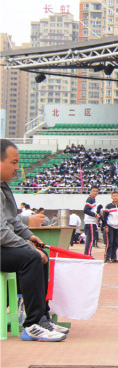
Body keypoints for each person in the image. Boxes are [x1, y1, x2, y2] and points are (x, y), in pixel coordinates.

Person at [0, 138, 68, 341]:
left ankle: (42, 318)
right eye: (13, 162)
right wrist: (28, 248)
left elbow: (11, 220)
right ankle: (32, 325)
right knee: (31, 257)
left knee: (40, 255)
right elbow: (1, 232)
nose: (17, 167)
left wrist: (30, 236)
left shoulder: (3, 187)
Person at [83, 186, 100, 256]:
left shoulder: (93, 200)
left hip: (91, 222)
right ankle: (87, 255)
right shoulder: (90, 199)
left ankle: (87, 254)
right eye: (93, 191)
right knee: (90, 240)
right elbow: (86, 210)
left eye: (96, 191)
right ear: (90, 192)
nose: (95, 192)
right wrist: (95, 215)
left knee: (90, 239)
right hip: (90, 222)